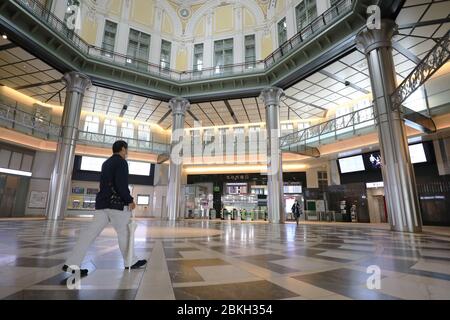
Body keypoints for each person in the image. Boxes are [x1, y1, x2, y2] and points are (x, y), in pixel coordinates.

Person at [62, 141, 147, 277]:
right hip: (116, 205)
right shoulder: (121, 162)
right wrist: (129, 200)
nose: (127, 153)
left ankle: (72, 263)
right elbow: (120, 184)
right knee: (125, 233)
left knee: (89, 234)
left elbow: (106, 184)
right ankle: (130, 261)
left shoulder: (106, 163)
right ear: (123, 149)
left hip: (102, 204)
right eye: (126, 150)